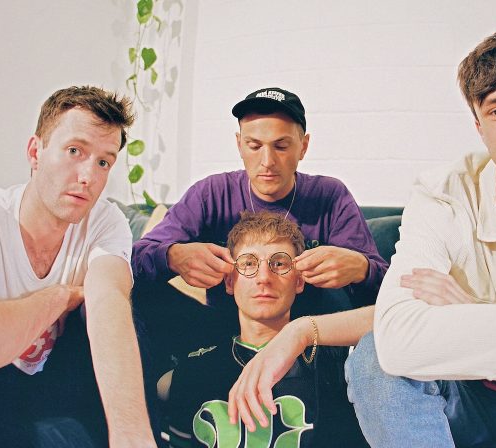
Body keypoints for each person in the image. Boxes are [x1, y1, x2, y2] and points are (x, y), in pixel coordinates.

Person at [343, 31, 496, 447]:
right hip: (463, 397)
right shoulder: (444, 195)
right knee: (374, 360)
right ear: (480, 129)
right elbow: (397, 340)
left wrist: (473, 313)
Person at [131, 87, 386, 371]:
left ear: (303, 147)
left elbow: (389, 297)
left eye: (281, 146)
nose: (267, 162)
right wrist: (172, 256)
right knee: (127, 295)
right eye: (254, 146)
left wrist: (362, 268)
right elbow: (133, 258)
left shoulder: (330, 197)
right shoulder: (210, 194)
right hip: (221, 334)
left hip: (311, 347)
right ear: (239, 144)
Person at [0, 86, 157, 447]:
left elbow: (109, 302)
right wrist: (60, 297)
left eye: (104, 162)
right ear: (36, 152)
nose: (88, 176)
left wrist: (132, 435)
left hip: (56, 384)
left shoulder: (106, 221)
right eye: (75, 151)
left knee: (127, 316)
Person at [161, 211, 368, 447]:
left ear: (299, 281)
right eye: (248, 263)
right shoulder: (193, 371)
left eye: (279, 263)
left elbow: (392, 322)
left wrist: (302, 331)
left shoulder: (337, 361)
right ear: (230, 281)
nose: (264, 278)